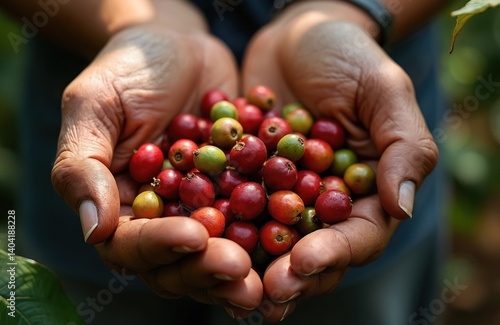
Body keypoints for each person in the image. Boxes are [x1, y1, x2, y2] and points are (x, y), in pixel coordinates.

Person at [3, 0, 451, 323]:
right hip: (123, 125)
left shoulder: (270, 173)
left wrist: (356, 10)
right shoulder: (220, 169)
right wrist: (128, 18)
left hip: (355, 103)